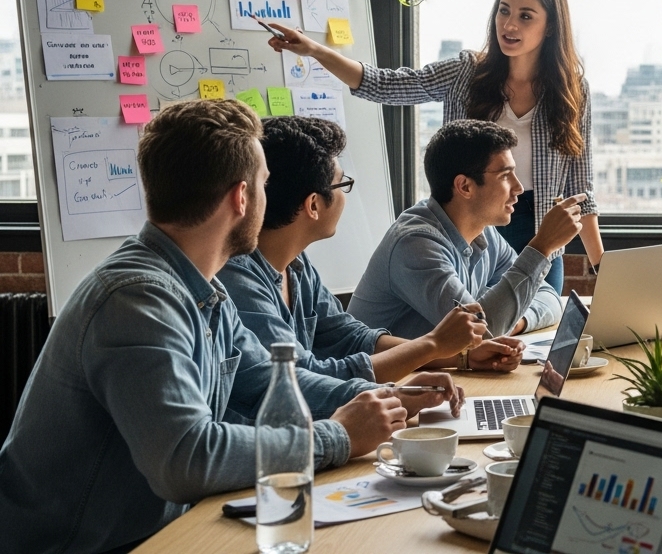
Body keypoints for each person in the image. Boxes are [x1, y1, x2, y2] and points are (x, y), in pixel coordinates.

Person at [0, 101, 462, 554]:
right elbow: (186, 459)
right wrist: (337, 437)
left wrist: (381, 400)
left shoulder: (199, 285)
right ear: (241, 197)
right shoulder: (137, 299)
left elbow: (267, 381)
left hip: (160, 532)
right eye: (263, 184)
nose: (269, 196)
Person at [267, 0, 602, 295]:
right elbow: (387, 84)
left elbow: (580, 190)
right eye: (504, 11)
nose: (509, 24)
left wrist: (602, 268)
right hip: (474, 232)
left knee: (537, 337)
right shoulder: (466, 73)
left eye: (526, 16)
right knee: (478, 338)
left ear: (550, 27)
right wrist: (314, 50)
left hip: (540, 234)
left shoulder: (573, 91)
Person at [219, 116, 524, 382]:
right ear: (313, 205)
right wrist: (432, 346)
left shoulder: (297, 266)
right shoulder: (239, 279)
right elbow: (303, 378)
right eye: (342, 185)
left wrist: (460, 358)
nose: (345, 196)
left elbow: (351, 338)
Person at [350, 119, 580, 339]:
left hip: (432, 375)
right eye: (505, 175)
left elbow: (548, 297)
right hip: (382, 380)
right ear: (465, 186)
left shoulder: (485, 233)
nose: (519, 188)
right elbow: (481, 334)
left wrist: (512, 322)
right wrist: (542, 246)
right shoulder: (416, 245)